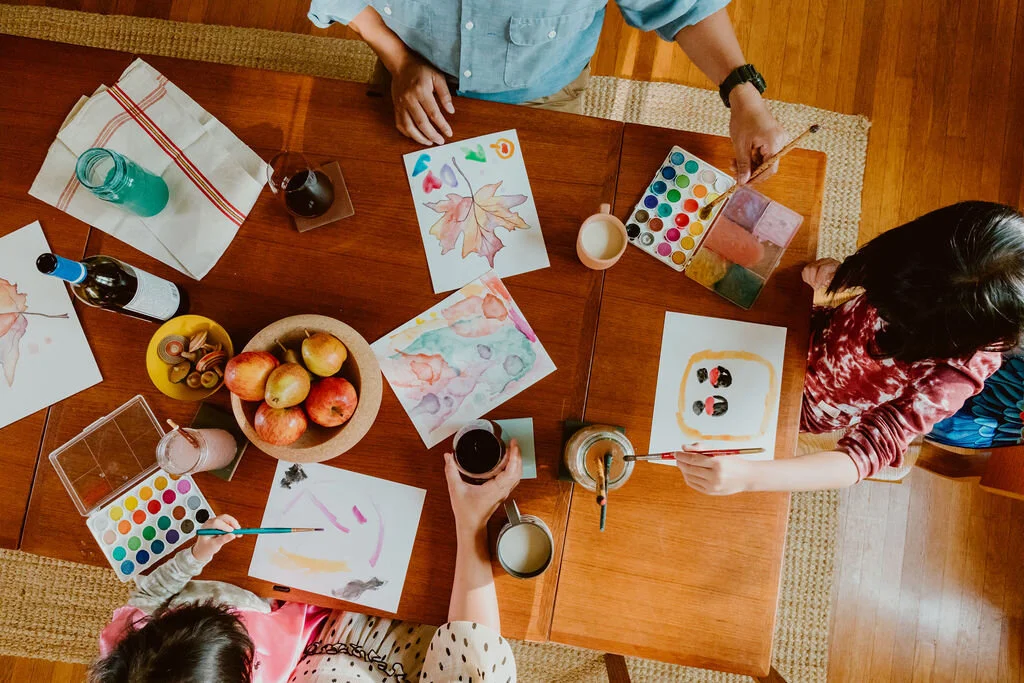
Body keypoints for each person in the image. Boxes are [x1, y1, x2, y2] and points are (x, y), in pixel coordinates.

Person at [90, 443, 524, 683]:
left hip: (300, 596)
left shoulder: (127, 653)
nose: (229, 613)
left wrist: (196, 557)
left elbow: (147, 596)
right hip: (350, 604)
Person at [674, 201, 1024, 495]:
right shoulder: (939, 257)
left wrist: (748, 477)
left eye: (887, 309)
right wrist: (841, 274)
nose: (875, 302)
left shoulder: (953, 375)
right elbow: (890, 271)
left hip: (802, 404)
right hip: (798, 327)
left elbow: (862, 457)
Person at [308, 1, 785, 183]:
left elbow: (685, 6)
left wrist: (744, 95)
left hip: (545, 94)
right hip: (408, 77)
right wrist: (398, 58)